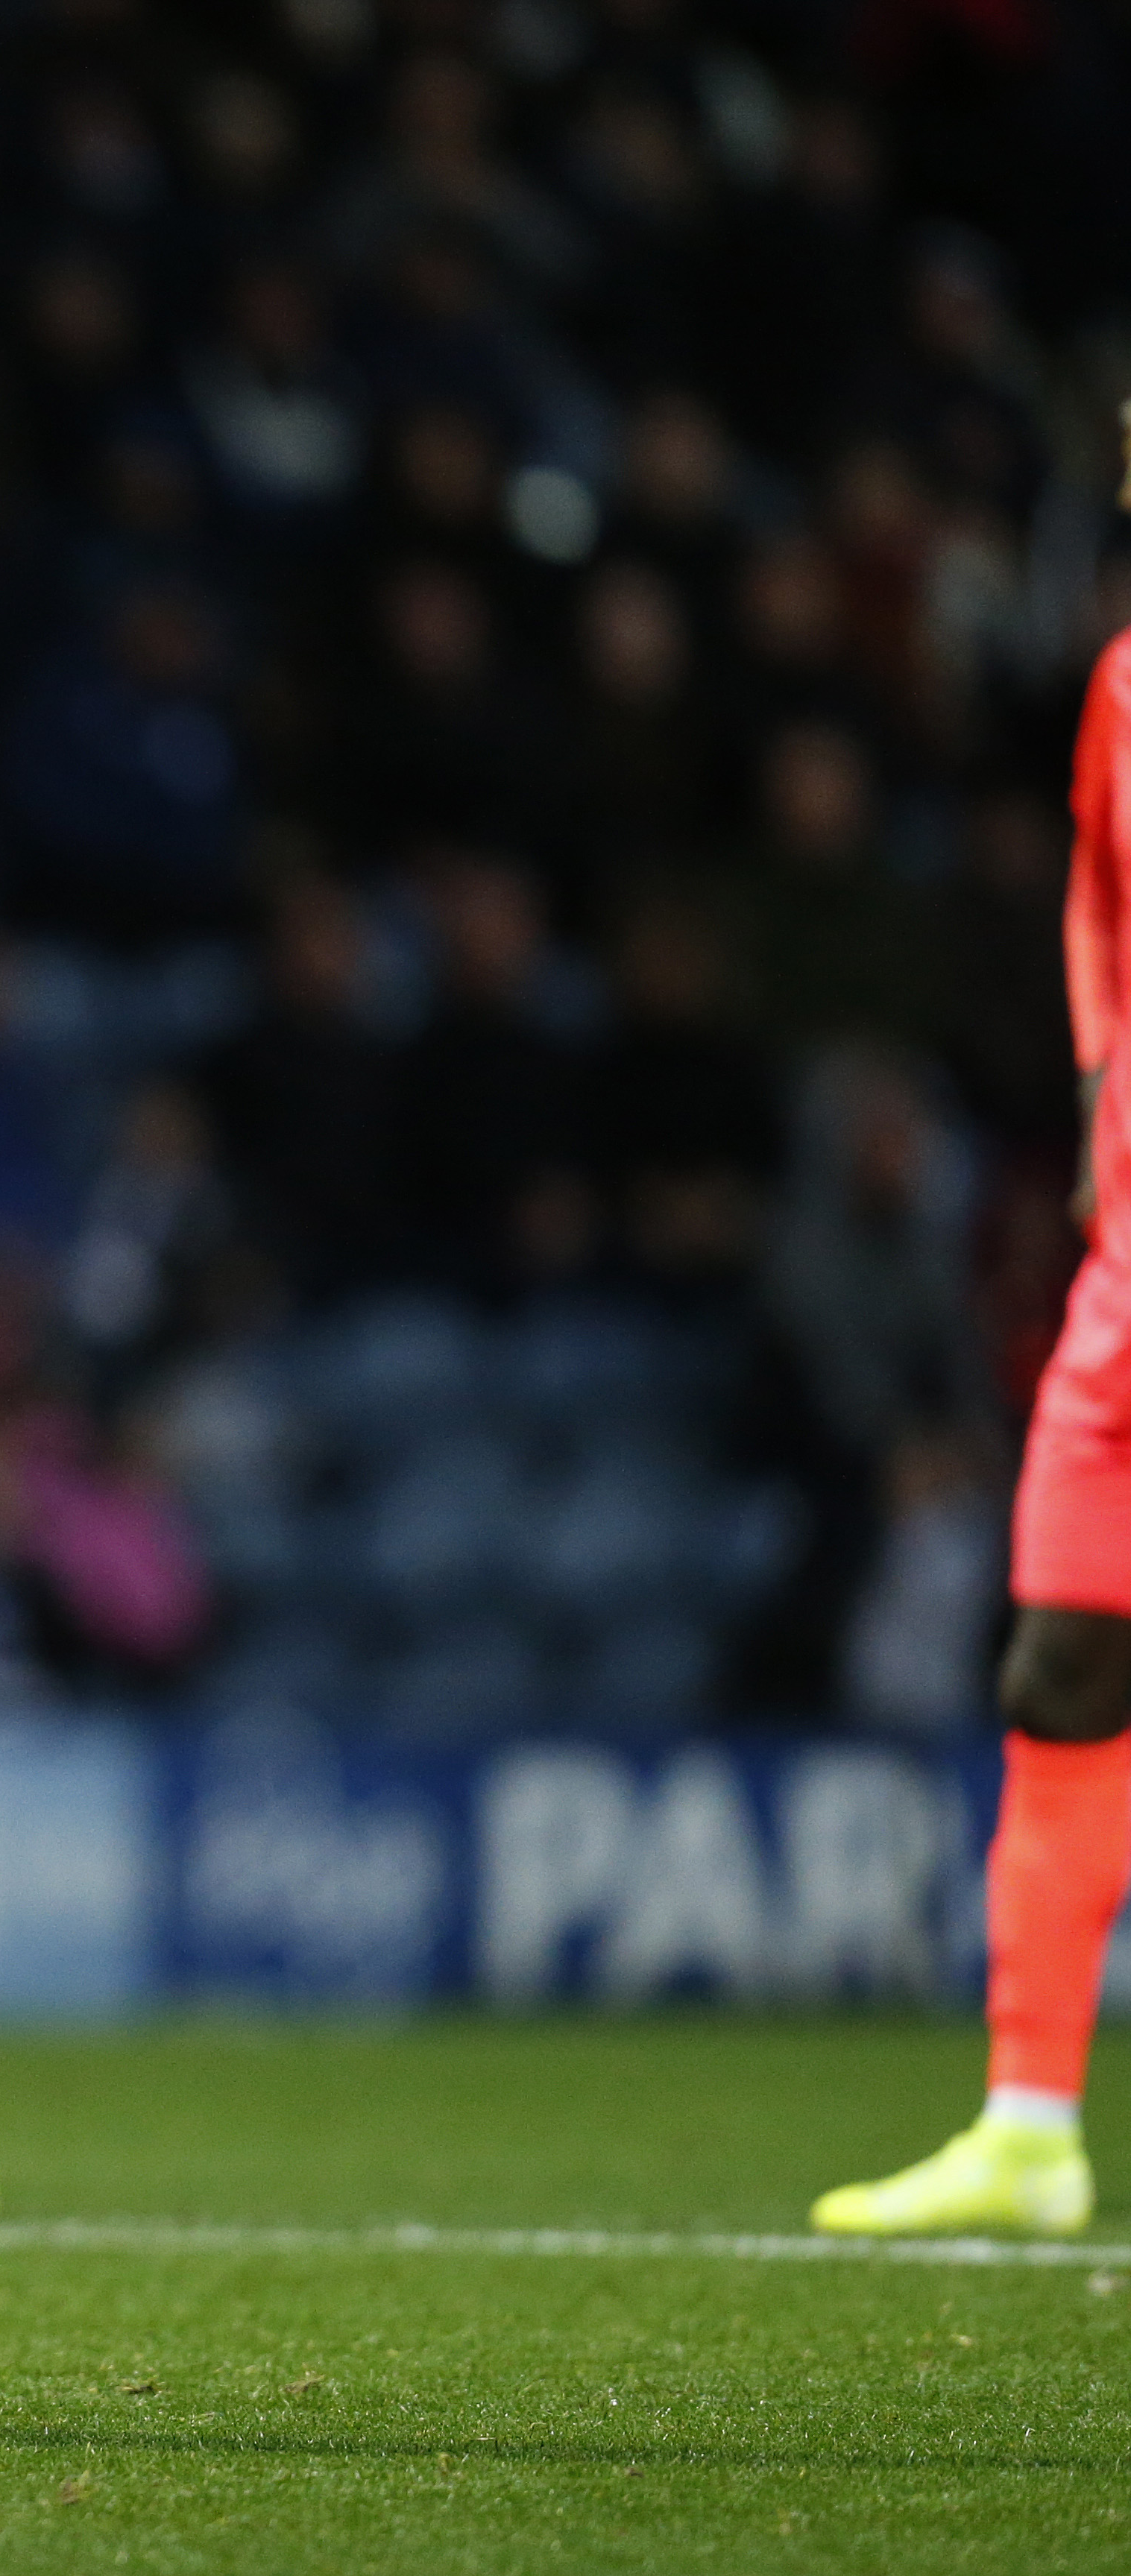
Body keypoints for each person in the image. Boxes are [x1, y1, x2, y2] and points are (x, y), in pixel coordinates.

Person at [816, 482, 1131, 2238]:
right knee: (1064, 1672)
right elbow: (1102, 899)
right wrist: (1102, 1081)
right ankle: (1027, 2122)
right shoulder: (1123, 688)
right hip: (1124, 1291)